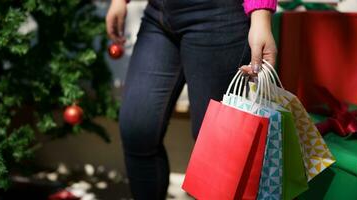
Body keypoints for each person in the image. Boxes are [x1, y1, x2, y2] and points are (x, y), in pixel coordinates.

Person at [106, 0, 277, 199]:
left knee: (213, 147)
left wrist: (261, 17)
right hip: (158, 14)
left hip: (218, 18)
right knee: (137, 129)